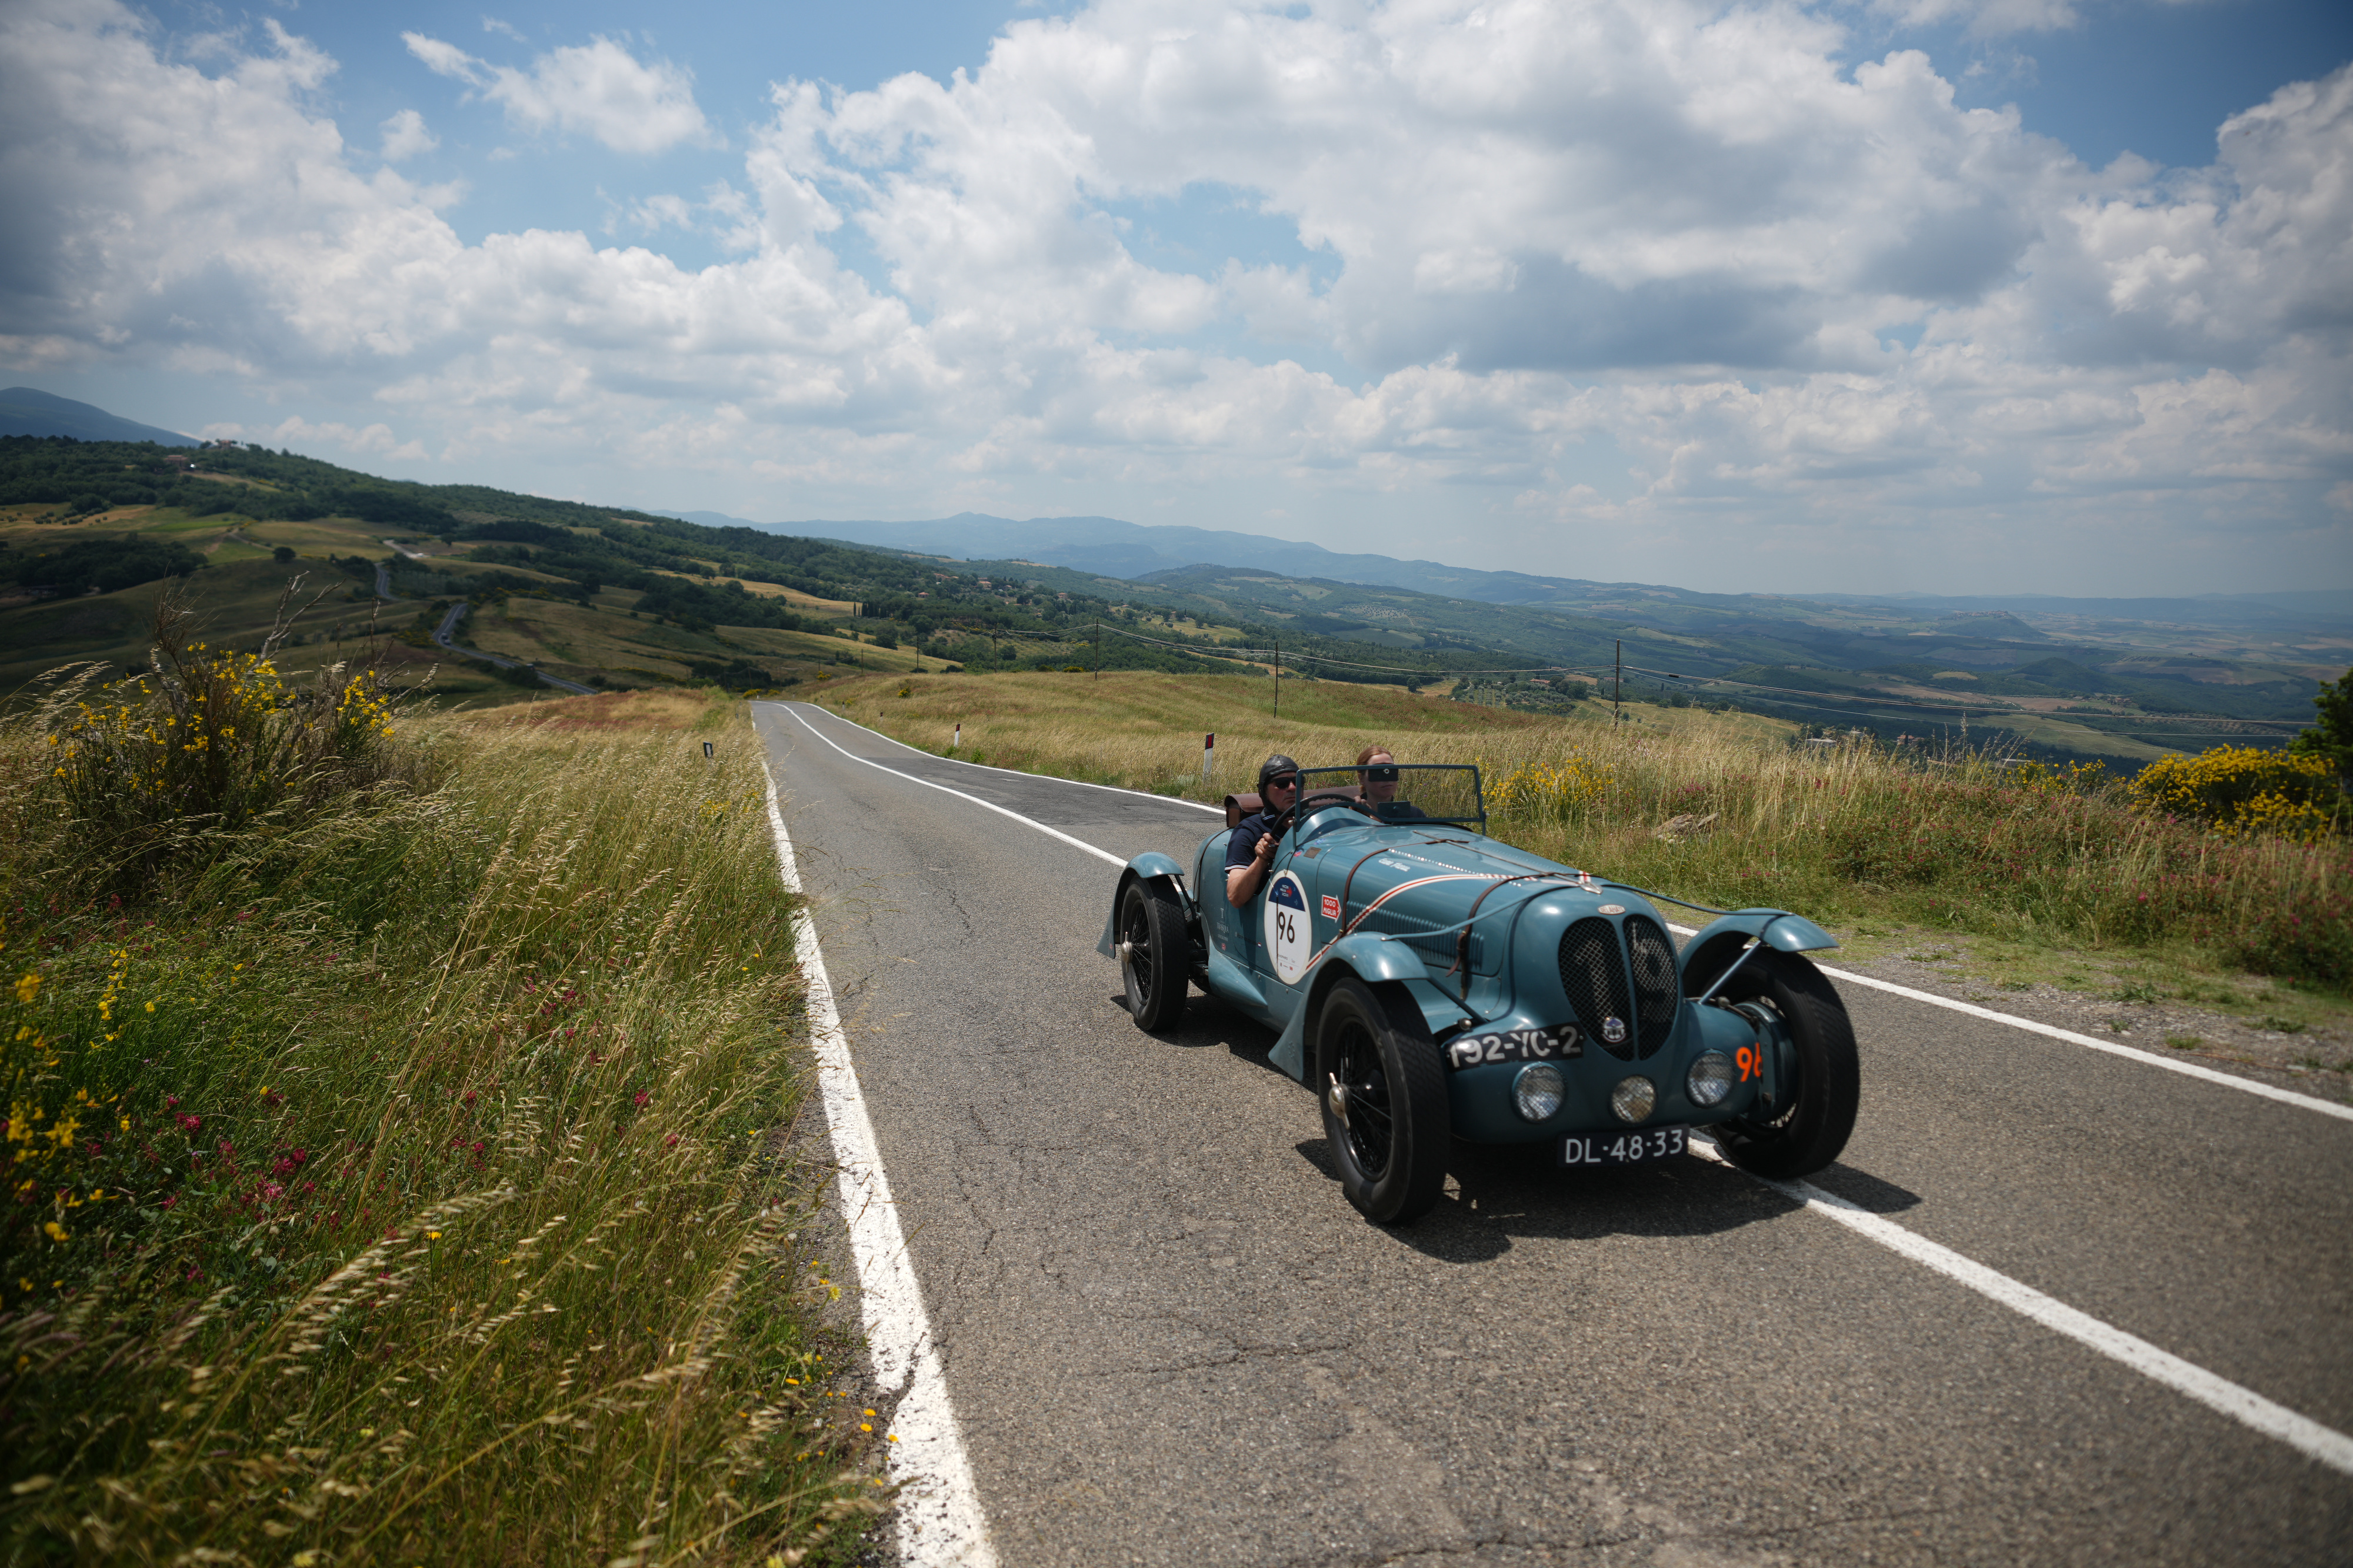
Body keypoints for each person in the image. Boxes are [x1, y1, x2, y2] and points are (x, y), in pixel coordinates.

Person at [1226, 755, 1299, 906]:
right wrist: (1261, 859)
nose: (1292, 788)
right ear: (1264, 791)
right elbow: (1235, 897)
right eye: (1282, 784)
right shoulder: (1249, 830)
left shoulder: (1314, 824)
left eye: (1298, 782)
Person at [1357, 744, 1426, 820]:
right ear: (1361, 779)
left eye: (1392, 770)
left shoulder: (1414, 815)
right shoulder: (1349, 814)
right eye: (1377, 771)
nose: (1387, 778)